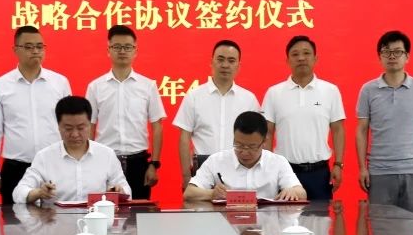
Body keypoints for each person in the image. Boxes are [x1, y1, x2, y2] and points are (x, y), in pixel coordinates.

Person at [0, 25, 71, 205]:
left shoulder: (59, 83)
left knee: (57, 217)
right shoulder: (1, 85)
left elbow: (70, 125)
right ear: (15, 49)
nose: (35, 51)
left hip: (54, 165)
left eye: (40, 46)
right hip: (16, 167)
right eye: (29, 47)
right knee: (14, 220)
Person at [355, 30, 413, 215]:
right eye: (386, 52)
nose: (392, 56)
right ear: (380, 57)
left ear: (407, 56)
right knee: (381, 227)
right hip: (379, 172)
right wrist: (362, 168)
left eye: (398, 52)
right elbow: (361, 130)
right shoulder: (368, 90)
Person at [85, 25, 165, 199]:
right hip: (106, 159)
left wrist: (154, 164)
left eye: (127, 47)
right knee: (106, 208)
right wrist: (90, 160)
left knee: (140, 211)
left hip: (139, 162)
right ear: (108, 50)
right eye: (117, 47)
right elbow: (89, 126)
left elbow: (157, 126)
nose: (122, 51)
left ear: (135, 51)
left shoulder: (148, 86)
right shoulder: (95, 87)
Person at [262, 35, 345, 201]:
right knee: (285, 216)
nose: (301, 58)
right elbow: (267, 133)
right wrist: (268, 168)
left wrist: (338, 164)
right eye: (295, 54)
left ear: (315, 58)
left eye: (306, 53)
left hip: (319, 173)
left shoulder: (330, 91)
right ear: (287, 60)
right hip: (285, 172)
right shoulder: (274, 93)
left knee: (320, 217)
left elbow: (338, 130)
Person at [173, 39, 260, 190]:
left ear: (238, 66)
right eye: (220, 59)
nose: (225, 65)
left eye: (231, 61)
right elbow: (184, 138)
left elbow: (257, 139)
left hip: (240, 170)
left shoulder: (249, 99)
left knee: (239, 206)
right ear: (211, 62)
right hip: (202, 171)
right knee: (201, 205)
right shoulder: (194, 96)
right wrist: (186, 176)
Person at [13, 95, 131, 204]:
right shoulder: (44, 157)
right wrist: (39, 193)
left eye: (81, 128)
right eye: (68, 128)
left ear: (90, 125)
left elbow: (127, 192)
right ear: (58, 126)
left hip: (96, 218)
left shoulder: (106, 154)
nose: (75, 134)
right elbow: (19, 193)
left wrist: (119, 191)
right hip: (55, 219)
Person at [183, 111, 306, 201]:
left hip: (266, 224)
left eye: (252, 146)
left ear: (264, 141)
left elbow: (301, 193)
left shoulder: (278, 162)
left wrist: (291, 191)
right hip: (226, 224)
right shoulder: (216, 161)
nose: (244, 152)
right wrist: (211, 194)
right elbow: (189, 193)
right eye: (239, 145)